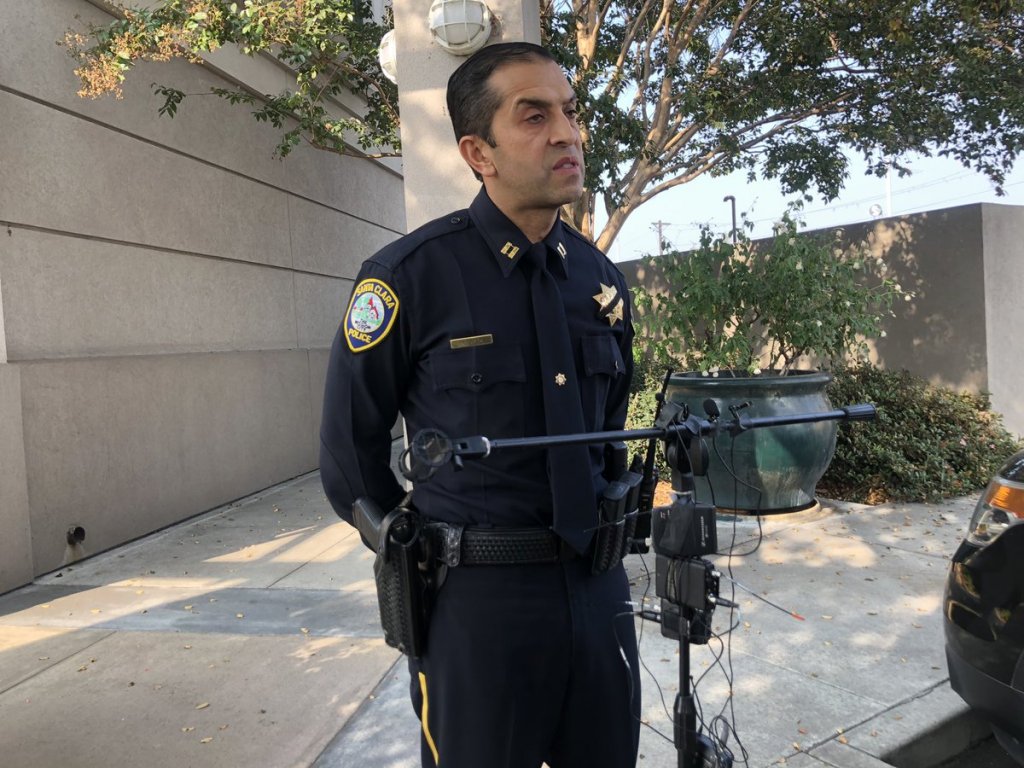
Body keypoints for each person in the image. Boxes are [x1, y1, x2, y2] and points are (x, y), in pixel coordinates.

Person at [319, 41, 640, 768]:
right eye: (534, 116)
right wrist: (412, 549)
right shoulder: (408, 277)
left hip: (599, 591)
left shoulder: (601, 282)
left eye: (570, 112)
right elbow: (347, 453)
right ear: (478, 152)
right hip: (476, 606)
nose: (567, 134)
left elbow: (609, 431)